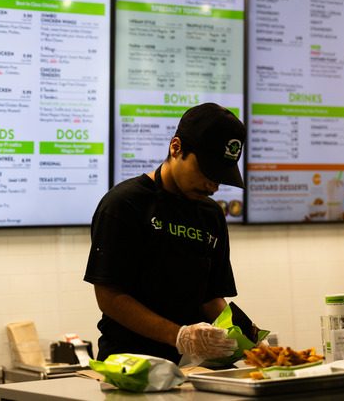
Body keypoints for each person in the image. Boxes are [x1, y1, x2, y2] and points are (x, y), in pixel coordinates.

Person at [84, 102, 246, 365]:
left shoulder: (211, 214)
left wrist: (248, 338)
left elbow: (212, 298)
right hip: (129, 366)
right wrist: (179, 335)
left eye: (222, 177)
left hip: (192, 368)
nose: (213, 186)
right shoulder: (124, 204)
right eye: (207, 171)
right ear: (176, 148)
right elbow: (109, 297)